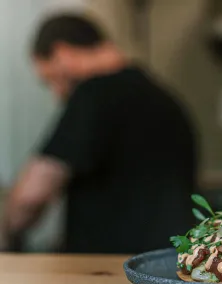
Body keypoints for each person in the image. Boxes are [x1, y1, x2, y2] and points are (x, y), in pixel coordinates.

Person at [1, 14, 198, 253]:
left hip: (110, 266)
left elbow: (31, 195)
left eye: (51, 79)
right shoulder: (163, 98)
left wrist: (8, 233)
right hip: (169, 261)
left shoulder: (94, 93)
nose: (57, 94)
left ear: (62, 53)